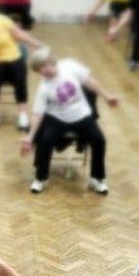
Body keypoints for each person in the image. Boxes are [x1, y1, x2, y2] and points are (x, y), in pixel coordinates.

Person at [21, 47, 118, 194]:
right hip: (57, 118)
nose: (43, 71)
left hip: (81, 115)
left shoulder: (70, 66)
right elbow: (38, 114)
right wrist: (30, 137)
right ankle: (41, 178)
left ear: (51, 62)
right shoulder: (44, 88)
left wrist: (107, 96)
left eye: (44, 66)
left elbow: (90, 82)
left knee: (99, 140)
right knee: (45, 141)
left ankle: (96, 179)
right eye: (39, 69)